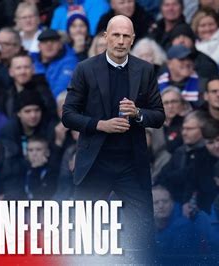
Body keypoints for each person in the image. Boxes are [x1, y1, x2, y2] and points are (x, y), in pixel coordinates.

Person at [62, 15, 164, 263]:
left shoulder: (145, 69)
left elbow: (158, 116)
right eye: (115, 35)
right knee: (84, 231)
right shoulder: (85, 69)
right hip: (95, 163)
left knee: (142, 232)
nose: (120, 41)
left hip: (131, 163)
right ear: (105, 37)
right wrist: (100, 125)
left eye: (125, 36)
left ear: (132, 40)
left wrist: (138, 113)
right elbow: (68, 115)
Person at [4, 52, 57, 119]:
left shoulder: (43, 92)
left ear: (33, 70)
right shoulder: (5, 93)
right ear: (10, 72)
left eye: (26, 67)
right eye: (18, 68)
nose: (23, 72)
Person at [31, 28, 78, 97]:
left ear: (60, 45)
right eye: (44, 42)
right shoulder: (31, 61)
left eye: (53, 41)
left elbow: (61, 89)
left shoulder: (70, 62)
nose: (49, 45)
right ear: (39, 46)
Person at [0, 27, 23, 91]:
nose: (0, 47)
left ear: (17, 48)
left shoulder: (23, 64)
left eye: (6, 44)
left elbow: (8, 85)